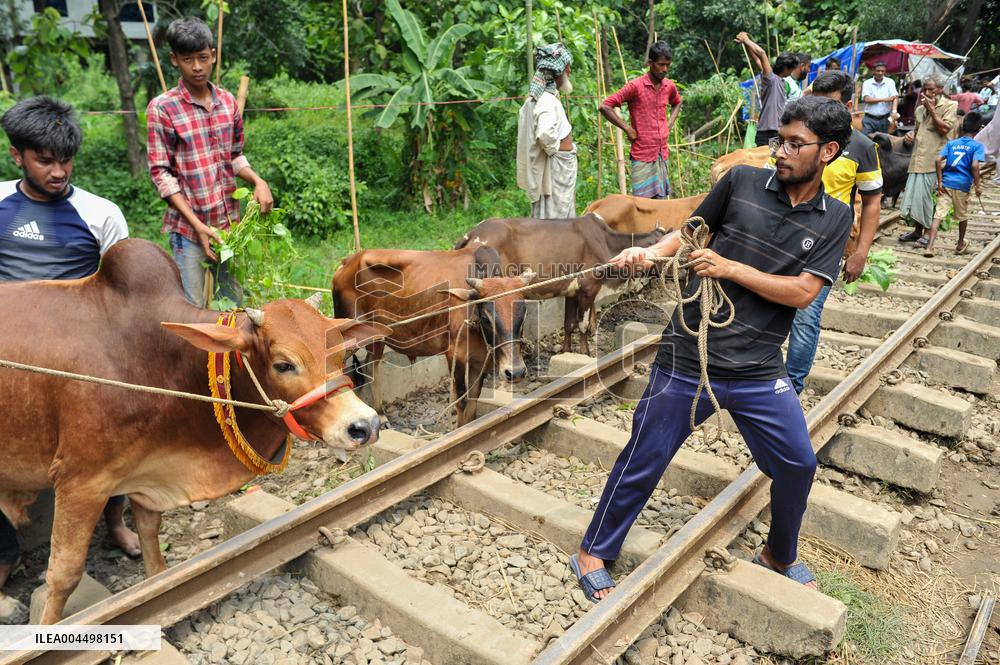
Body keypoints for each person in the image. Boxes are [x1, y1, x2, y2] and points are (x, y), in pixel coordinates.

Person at [569, 96, 854, 601]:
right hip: (688, 356)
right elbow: (691, 232)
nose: (780, 152)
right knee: (645, 454)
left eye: (794, 144)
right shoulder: (742, 183)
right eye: (777, 141)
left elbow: (804, 292)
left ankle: (778, 554)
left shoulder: (834, 218)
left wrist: (729, 269)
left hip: (759, 366)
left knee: (797, 464)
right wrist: (650, 253)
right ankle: (593, 550)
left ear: (827, 150)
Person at [0, 96, 136, 622]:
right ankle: (8, 553)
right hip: (10, 358)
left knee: (119, 425)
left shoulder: (101, 214)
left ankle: (116, 519)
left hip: (81, 363)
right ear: (17, 156)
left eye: (66, 161)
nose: (58, 172)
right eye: (44, 161)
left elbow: (122, 296)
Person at [146, 16, 272, 307]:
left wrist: (258, 181)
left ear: (213, 55)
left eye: (203, 58)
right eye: (188, 59)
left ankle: (227, 357)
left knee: (233, 307)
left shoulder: (227, 103)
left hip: (230, 228)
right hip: (189, 232)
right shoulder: (163, 108)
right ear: (174, 60)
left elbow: (235, 156)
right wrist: (198, 226)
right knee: (192, 311)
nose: (198, 67)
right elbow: (161, 175)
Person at [785, 71, 884, 394]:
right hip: (784, 235)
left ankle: (791, 387)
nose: (821, 113)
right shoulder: (801, 137)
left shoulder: (862, 147)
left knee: (805, 317)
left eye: (831, 106)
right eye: (816, 103)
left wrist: (861, 252)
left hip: (825, 245)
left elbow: (871, 203)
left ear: (850, 105)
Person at [599, 40, 682, 199]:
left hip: (661, 154)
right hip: (642, 154)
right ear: (650, 63)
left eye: (668, 65)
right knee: (642, 204)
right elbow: (605, 106)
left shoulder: (669, 87)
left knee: (661, 202)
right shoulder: (635, 86)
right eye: (661, 64)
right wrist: (627, 128)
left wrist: (669, 125)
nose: (665, 69)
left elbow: (677, 103)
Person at [516, 43, 576, 218]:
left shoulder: (542, 98)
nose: (569, 71)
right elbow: (544, 133)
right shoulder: (546, 101)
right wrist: (554, 150)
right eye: (567, 68)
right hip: (555, 168)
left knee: (557, 213)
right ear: (558, 73)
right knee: (555, 217)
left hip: (559, 166)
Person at [898, 76, 958, 247]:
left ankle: (927, 233)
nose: (927, 93)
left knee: (926, 198)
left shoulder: (950, 106)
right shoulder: (919, 110)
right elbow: (918, 131)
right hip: (918, 159)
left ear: (940, 89)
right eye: (925, 89)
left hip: (935, 160)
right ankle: (917, 231)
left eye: (931, 89)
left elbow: (945, 128)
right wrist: (911, 134)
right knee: (916, 197)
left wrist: (932, 109)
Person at [924, 112, 986, 257]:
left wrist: (939, 181)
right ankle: (959, 244)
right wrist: (977, 185)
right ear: (978, 129)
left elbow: (938, 160)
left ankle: (930, 247)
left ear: (963, 127)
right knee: (962, 216)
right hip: (962, 186)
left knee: (938, 215)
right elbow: (975, 166)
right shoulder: (977, 146)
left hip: (946, 184)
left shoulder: (952, 143)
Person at [737, 32, 799, 147]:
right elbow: (761, 53)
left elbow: (757, 60)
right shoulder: (771, 79)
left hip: (777, 131)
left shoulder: (779, 80)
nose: (791, 73)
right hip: (767, 132)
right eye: (791, 70)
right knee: (768, 163)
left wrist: (746, 44)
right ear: (786, 68)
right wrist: (746, 40)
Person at [861, 62, 899, 134]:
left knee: (883, 141)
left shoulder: (890, 82)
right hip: (869, 119)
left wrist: (894, 111)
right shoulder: (867, 83)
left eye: (882, 71)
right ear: (873, 71)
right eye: (878, 71)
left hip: (884, 119)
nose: (880, 73)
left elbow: (895, 98)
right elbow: (867, 99)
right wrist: (886, 99)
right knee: (866, 141)